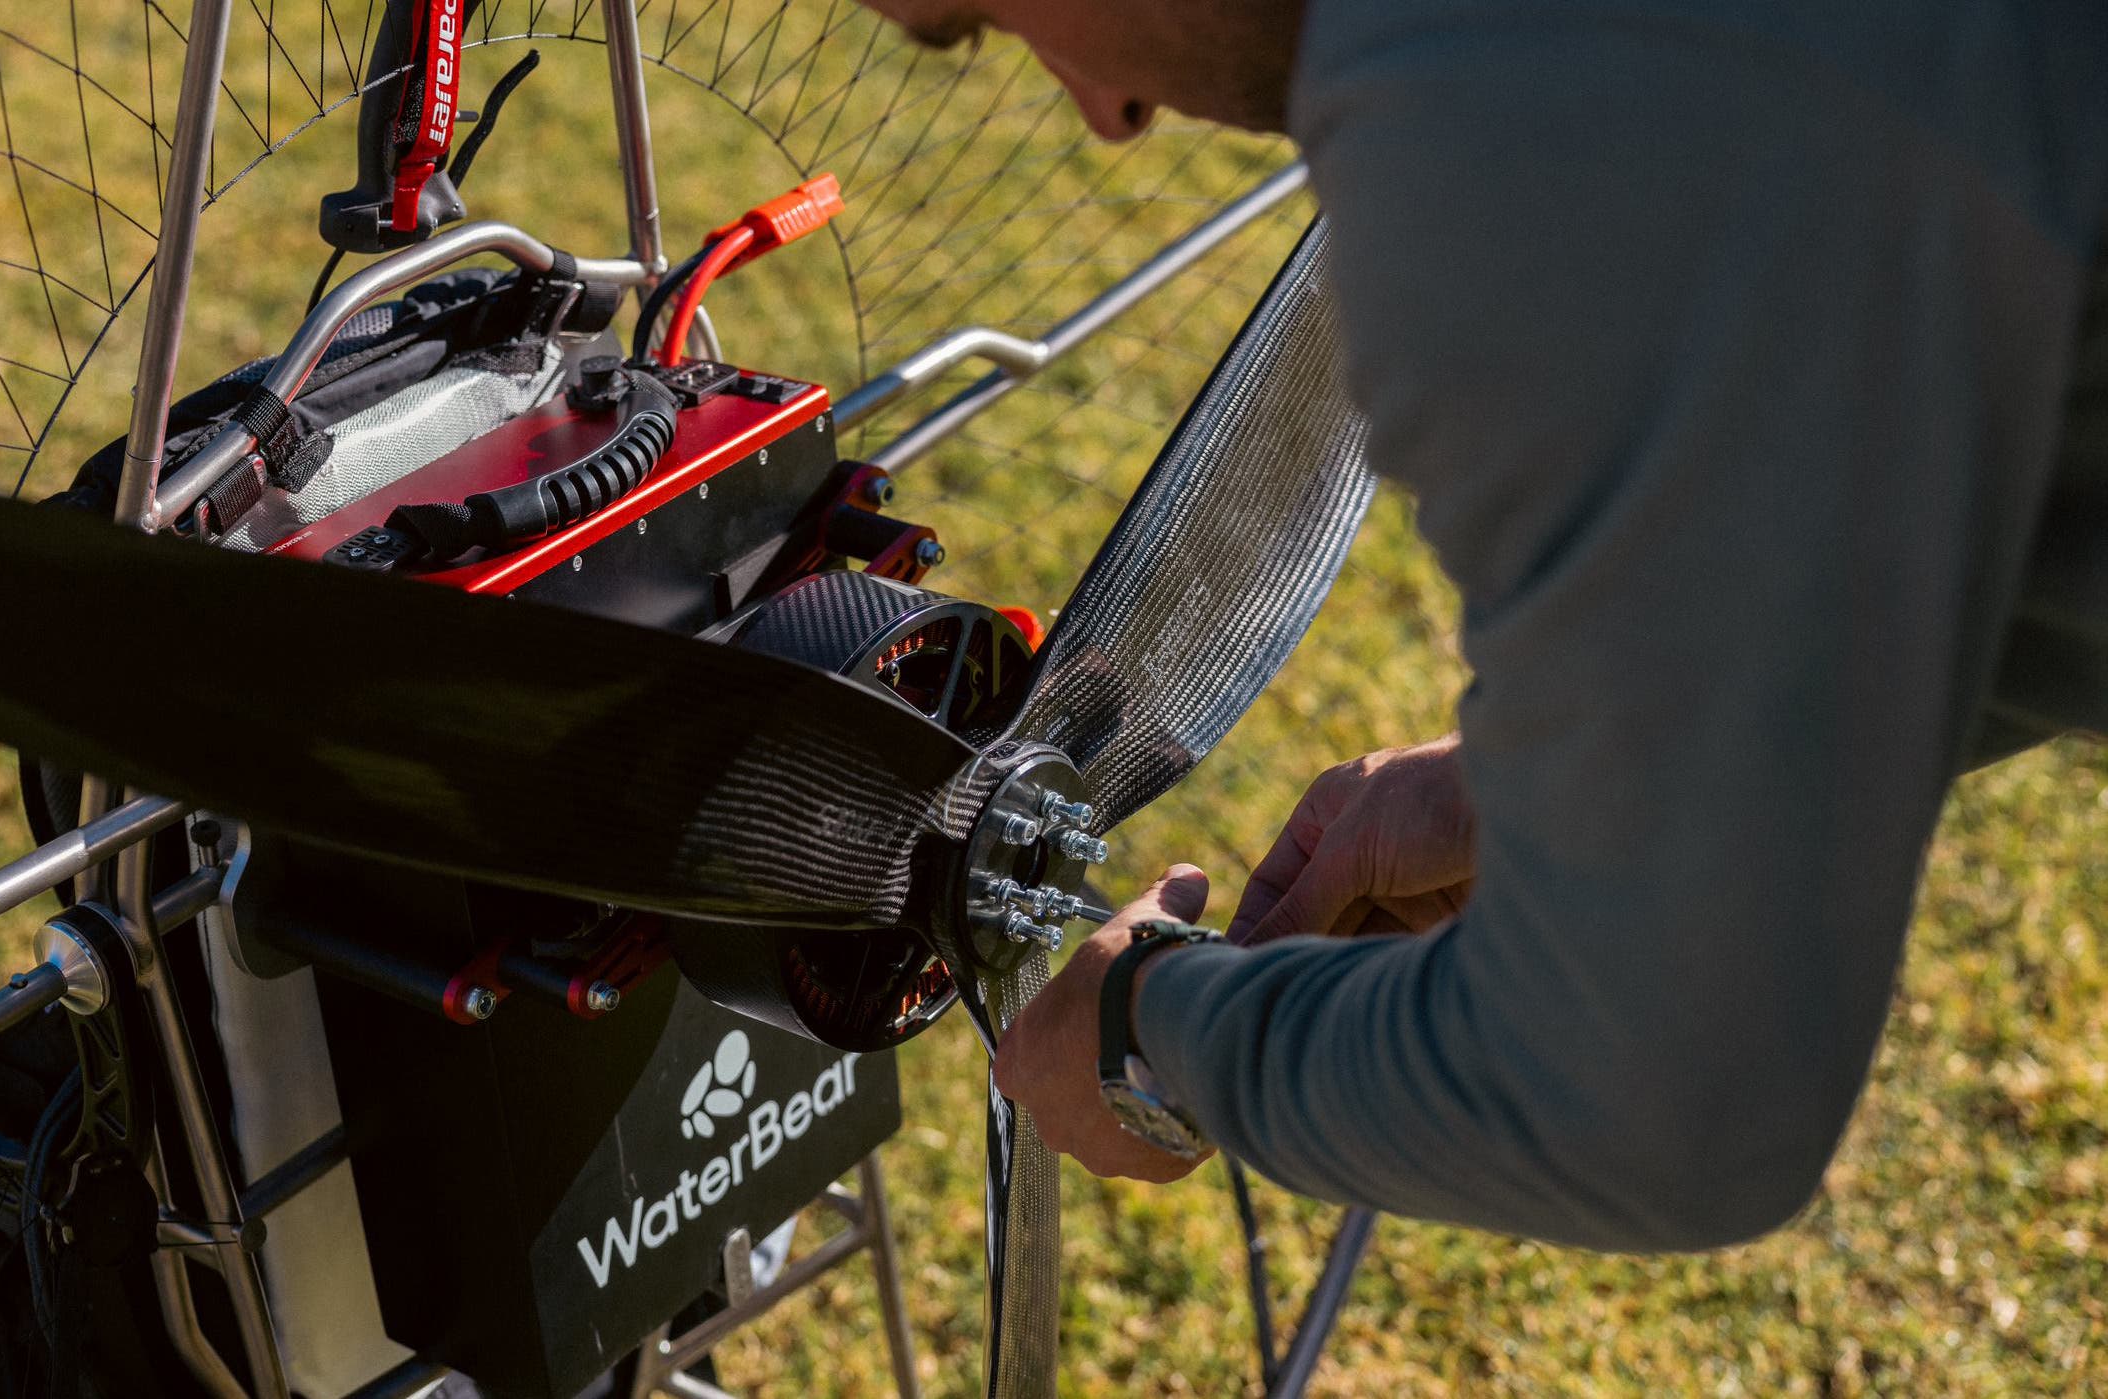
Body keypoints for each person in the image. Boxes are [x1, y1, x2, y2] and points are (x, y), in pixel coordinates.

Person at [857, 0, 2108, 1248]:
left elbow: (1654, 1111)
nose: (1106, 113)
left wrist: (1156, 1038)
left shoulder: (1504, 121)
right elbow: (2014, 480)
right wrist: (1597, 779)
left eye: (980, 15)